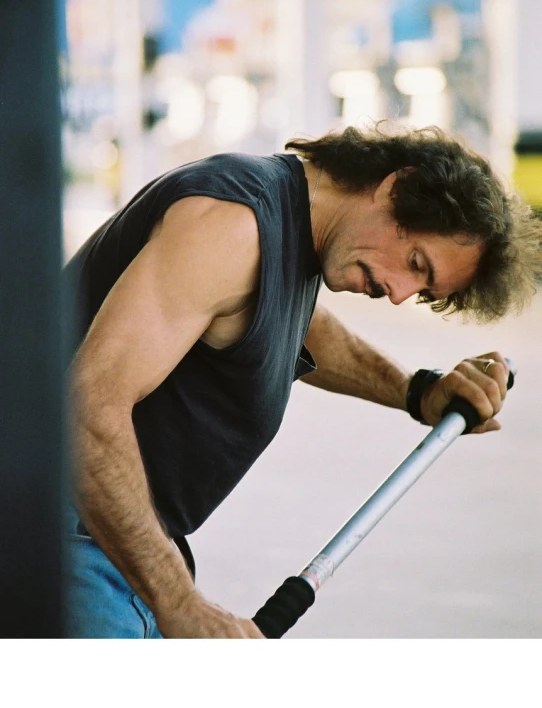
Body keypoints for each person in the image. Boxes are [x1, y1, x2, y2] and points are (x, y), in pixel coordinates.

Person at [64, 124, 542, 638]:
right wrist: (177, 601)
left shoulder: (289, 236)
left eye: (423, 290)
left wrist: (417, 390)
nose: (400, 293)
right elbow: (87, 408)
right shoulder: (234, 226)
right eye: (415, 262)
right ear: (396, 187)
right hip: (66, 539)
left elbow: (301, 327)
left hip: (109, 543)